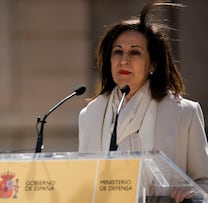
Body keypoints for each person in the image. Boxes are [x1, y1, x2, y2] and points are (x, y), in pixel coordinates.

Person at [78, 2, 208, 203]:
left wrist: (195, 192)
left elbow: (204, 181)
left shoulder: (185, 113)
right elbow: (84, 184)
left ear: (153, 64)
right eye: (117, 51)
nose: (124, 60)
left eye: (135, 52)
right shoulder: (89, 115)